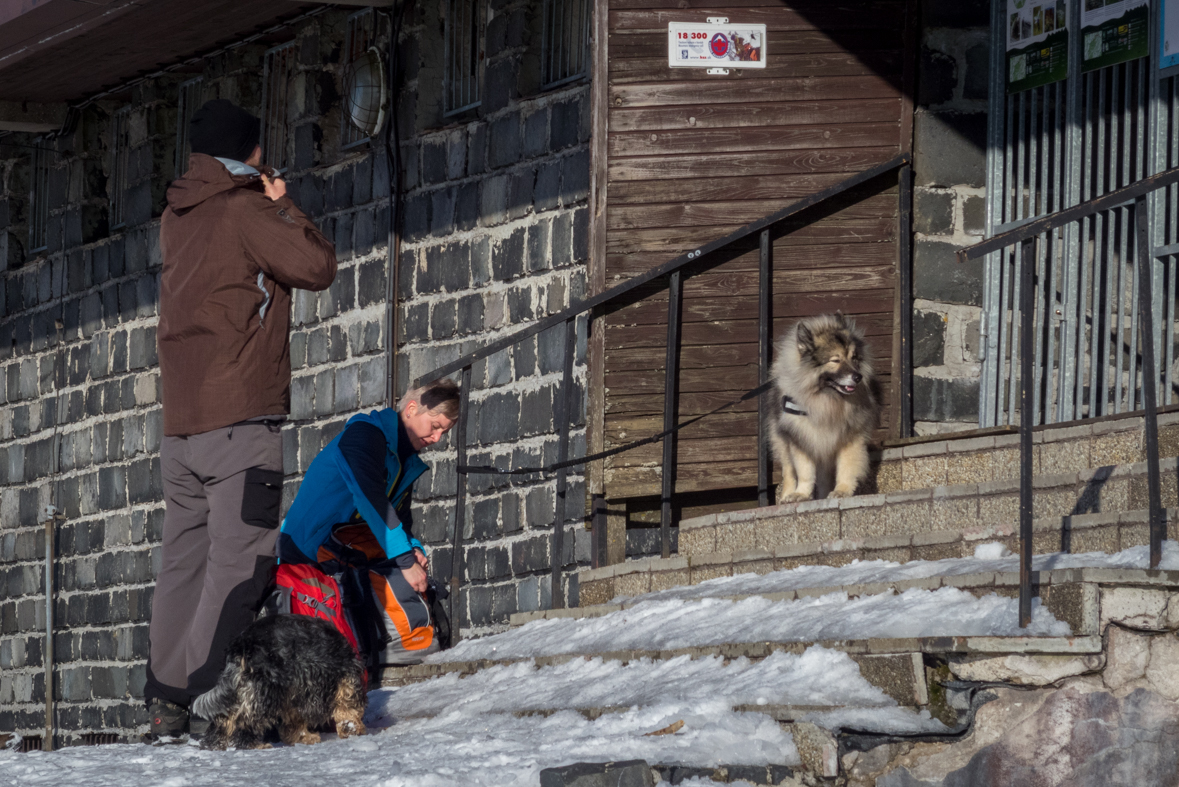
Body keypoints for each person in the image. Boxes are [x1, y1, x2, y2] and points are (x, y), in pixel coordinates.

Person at [146, 99, 337, 739]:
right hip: (239, 422)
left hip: (181, 426)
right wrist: (281, 202)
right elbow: (316, 266)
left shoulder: (176, 216)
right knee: (243, 563)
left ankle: (166, 697)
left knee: (183, 563)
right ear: (250, 152)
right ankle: (208, 697)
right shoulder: (245, 209)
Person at [276, 379, 459, 667]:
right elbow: (370, 497)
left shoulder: (405, 460)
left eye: (444, 432)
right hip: (305, 555)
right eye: (435, 426)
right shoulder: (363, 435)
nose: (437, 438)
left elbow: (400, 516)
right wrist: (403, 559)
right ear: (411, 409)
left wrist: (414, 549)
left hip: (344, 554)